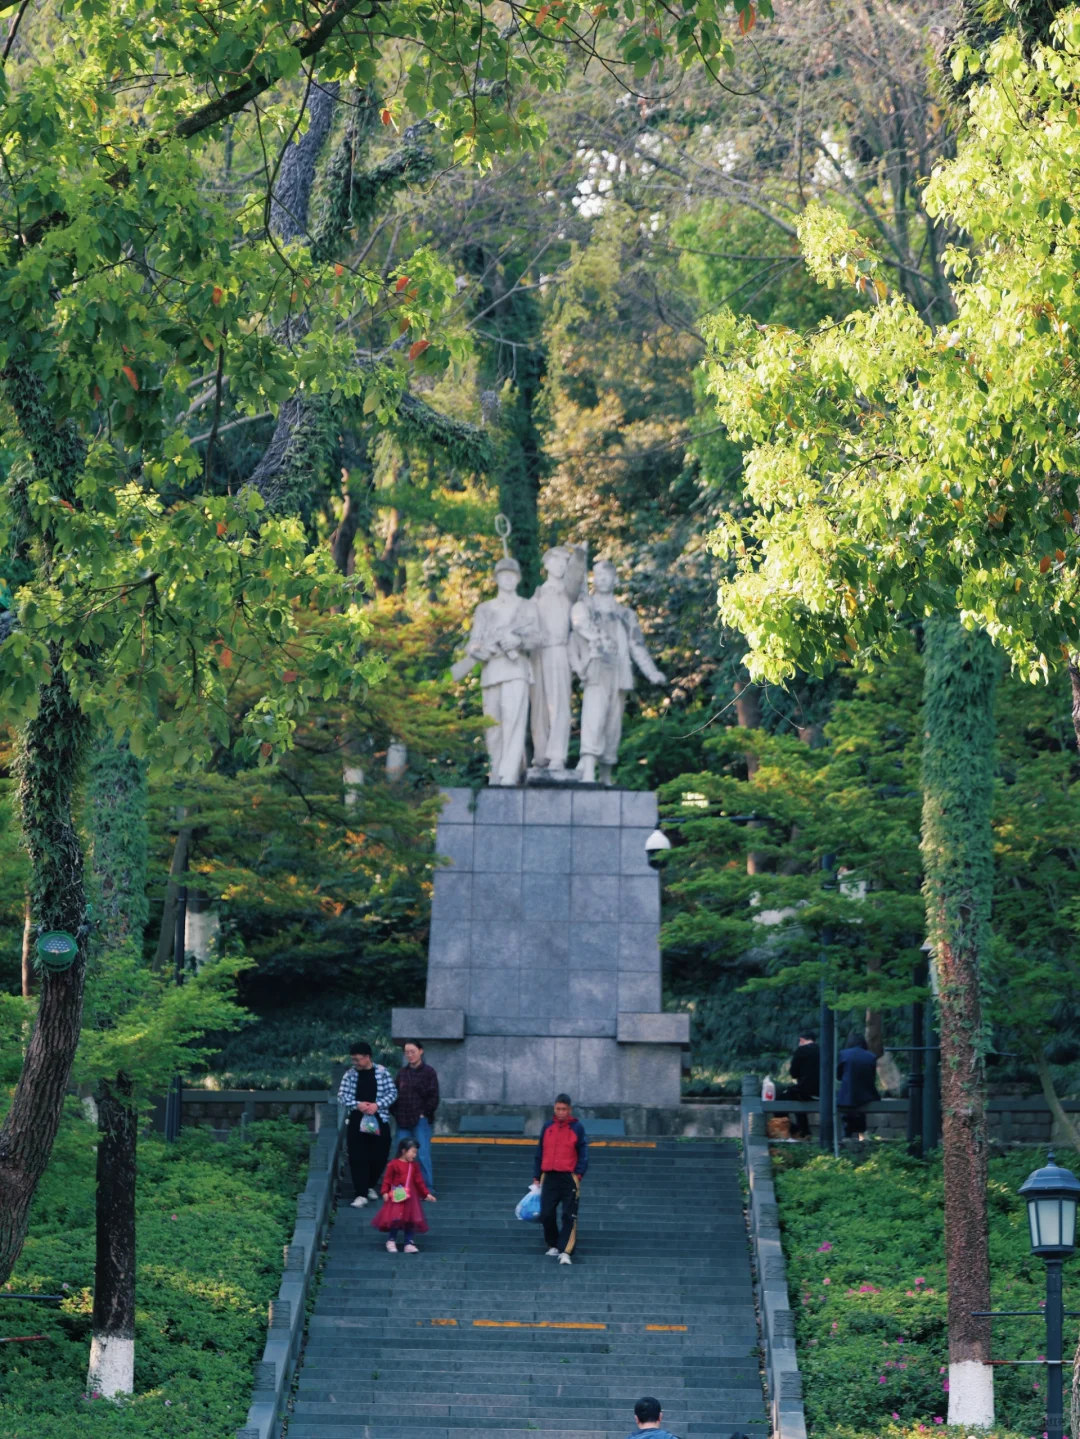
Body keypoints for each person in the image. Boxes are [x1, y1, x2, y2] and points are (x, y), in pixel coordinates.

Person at [569, 559, 666, 785]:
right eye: (598, 576)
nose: (602, 580)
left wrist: (652, 673)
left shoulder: (625, 614)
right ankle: (587, 770)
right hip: (596, 669)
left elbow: (637, 646)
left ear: (615, 580)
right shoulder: (585, 607)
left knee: (613, 724)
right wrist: (597, 636)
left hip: (619, 673)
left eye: (607, 576)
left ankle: (605, 773)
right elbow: (578, 624)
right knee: (594, 717)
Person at [461, 555, 541, 786]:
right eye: (503, 575)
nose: (508, 580)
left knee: (513, 723)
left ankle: (509, 774)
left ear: (517, 579)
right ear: (496, 579)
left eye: (512, 575)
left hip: (516, 670)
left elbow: (537, 637)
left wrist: (516, 641)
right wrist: (479, 650)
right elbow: (473, 642)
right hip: (491, 673)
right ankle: (496, 773)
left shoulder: (527, 607)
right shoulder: (484, 609)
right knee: (493, 728)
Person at [529, 1093, 588, 1265]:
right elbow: (540, 1152)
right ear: (554, 1108)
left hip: (569, 1177)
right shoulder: (548, 1127)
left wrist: (578, 1174)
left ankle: (566, 1251)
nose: (561, 1112)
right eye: (558, 1109)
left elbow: (584, 1152)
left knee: (569, 1215)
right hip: (549, 1176)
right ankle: (553, 1244)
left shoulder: (577, 1128)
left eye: (564, 1109)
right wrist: (536, 1176)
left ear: (569, 1110)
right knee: (546, 1213)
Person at [530, 546, 574, 772]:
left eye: (564, 563)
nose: (560, 566)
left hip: (559, 649)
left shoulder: (570, 592)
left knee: (559, 704)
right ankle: (541, 753)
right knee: (539, 704)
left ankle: (557, 754)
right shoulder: (538, 594)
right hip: (538, 652)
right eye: (556, 561)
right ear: (546, 564)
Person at [337, 1041, 397, 1207]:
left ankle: (370, 1184)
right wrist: (358, 1104)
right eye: (353, 1060)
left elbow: (393, 1093)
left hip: (379, 1117)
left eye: (358, 1059)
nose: (355, 1063)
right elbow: (341, 1096)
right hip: (357, 1118)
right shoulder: (350, 1075)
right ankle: (361, 1193)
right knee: (358, 1156)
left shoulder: (382, 1072)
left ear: (367, 1057)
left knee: (380, 1154)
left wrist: (377, 1105)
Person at [372, 1137, 437, 1253]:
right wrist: (385, 1192)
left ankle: (409, 1242)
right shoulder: (393, 1164)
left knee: (410, 1220)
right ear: (404, 1151)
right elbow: (387, 1179)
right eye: (413, 1151)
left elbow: (419, 1182)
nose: (414, 1155)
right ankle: (391, 1240)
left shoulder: (414, 1166)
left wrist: (426, 1194)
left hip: (410, 1198)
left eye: (416, 1152)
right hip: (397, 1196)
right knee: (396, 1218)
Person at [393, 1039, 439, 1190]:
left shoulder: (429, 1072)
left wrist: (424, 1113)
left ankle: (426, 1188)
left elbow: (434, 1096)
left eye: (413, 1052)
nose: (410, 1055)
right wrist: (395, 1112)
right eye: (407, 1052)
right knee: (401, 1154)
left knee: (422, 1154)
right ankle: (399, 1187)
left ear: (421, 1051)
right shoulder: (402, 1073)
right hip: (403, 1119)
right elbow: (394, 1094)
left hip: (420, 1119)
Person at [837, 1030, 879, 1139]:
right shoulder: (871, 1056)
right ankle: (862, 1133)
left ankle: (847, 1133)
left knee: (846, 1102)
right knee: (860, 1107)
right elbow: (872, 1077)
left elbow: (839, 1076)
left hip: (847, 1095)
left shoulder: (843, 1054)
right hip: (866, 1095)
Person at [787, 1030, 820, 1139]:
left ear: (801, 1040)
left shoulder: (801, 1050)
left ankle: (799, 1130)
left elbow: (793, 1073)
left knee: (784, 1098)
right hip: (823, 1091)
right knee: (797, 1095)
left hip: (805, 1090)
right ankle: (805, 1132)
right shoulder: (823, 1050)